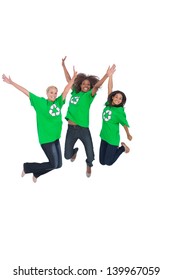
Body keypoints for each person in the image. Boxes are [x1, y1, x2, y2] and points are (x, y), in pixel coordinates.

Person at [2, 68, 77, 182]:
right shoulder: (40, 102)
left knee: (58, 165)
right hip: (46, 139)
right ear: (47, 93)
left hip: (56, 138)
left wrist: (73, 79)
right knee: (54, 163)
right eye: (51, 92)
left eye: (55, 93)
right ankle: (27, 167)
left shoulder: (58, 102)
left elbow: (66, 91)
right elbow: (26, 92)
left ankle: (37, 173)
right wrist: (11, 83)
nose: (53, 94)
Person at [62, 56, 116, 177]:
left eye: (88, 84)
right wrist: (63, 65)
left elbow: (96, 86)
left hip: (83, 129)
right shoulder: (75, 92)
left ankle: (88, 164)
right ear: (80, 85)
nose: (85, 85)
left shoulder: (89, 96)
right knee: (66, 156)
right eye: (83, 84)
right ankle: (74, 151)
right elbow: (69, 79)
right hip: (71, 129)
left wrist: (107, 75)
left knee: (91, 155)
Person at [99, 66, 132, 166]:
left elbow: (124, 123)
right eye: (116, 97)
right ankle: (119, 149)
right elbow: (110, 88)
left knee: (108, 163)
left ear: (122, 101)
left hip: (113, 139)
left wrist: (128, 134)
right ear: (112, 97)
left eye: (120, 98)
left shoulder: (119, 111)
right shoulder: (108, 104)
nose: (118, 99)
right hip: (104, 136)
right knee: (102, 162)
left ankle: (122, 148)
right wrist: (110, 76)